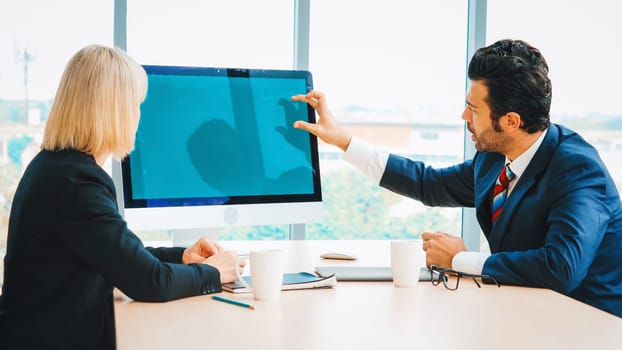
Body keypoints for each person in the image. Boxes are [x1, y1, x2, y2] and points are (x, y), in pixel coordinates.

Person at [292, 39, 622, 317]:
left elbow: (561, 268)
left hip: (586, 325)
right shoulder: (494, 158)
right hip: (524, 312)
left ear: (510, 121)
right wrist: (342, 141)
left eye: (473, 109)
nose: (464, 117)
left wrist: (460, 260)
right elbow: (428, 183)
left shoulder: (577, 170)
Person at [0, 45, 242, 348]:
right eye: (137, 105)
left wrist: (181, 257)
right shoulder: (77, 184)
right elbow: (148, 282)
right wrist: (213, 273)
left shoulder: (57, 167)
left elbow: (121, 255)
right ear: (117, 111)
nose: (139, 115)